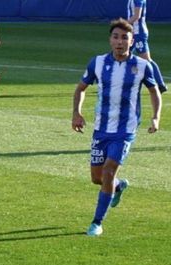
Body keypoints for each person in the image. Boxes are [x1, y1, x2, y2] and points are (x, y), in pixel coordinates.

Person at [72, 18, 162, 237]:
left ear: (132, 42)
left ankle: (96, 223)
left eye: (125, 38)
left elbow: (154, 92)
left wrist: (155, 117)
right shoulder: (98, 63)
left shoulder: (142, 66)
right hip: (102, 129)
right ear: (110, 40)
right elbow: (81, 89)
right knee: (97, 177)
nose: (120, 41)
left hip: (125, 130)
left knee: (109, 170)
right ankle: (119, 186)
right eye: (116, 37)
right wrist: (77, 113)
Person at [127, 0, 168, 93]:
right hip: (133, 33)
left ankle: (161, 85)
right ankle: (126, 83)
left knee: (146, 59)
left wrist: (124, 24)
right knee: (123, 56)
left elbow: (137, 15)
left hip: (138, 34)